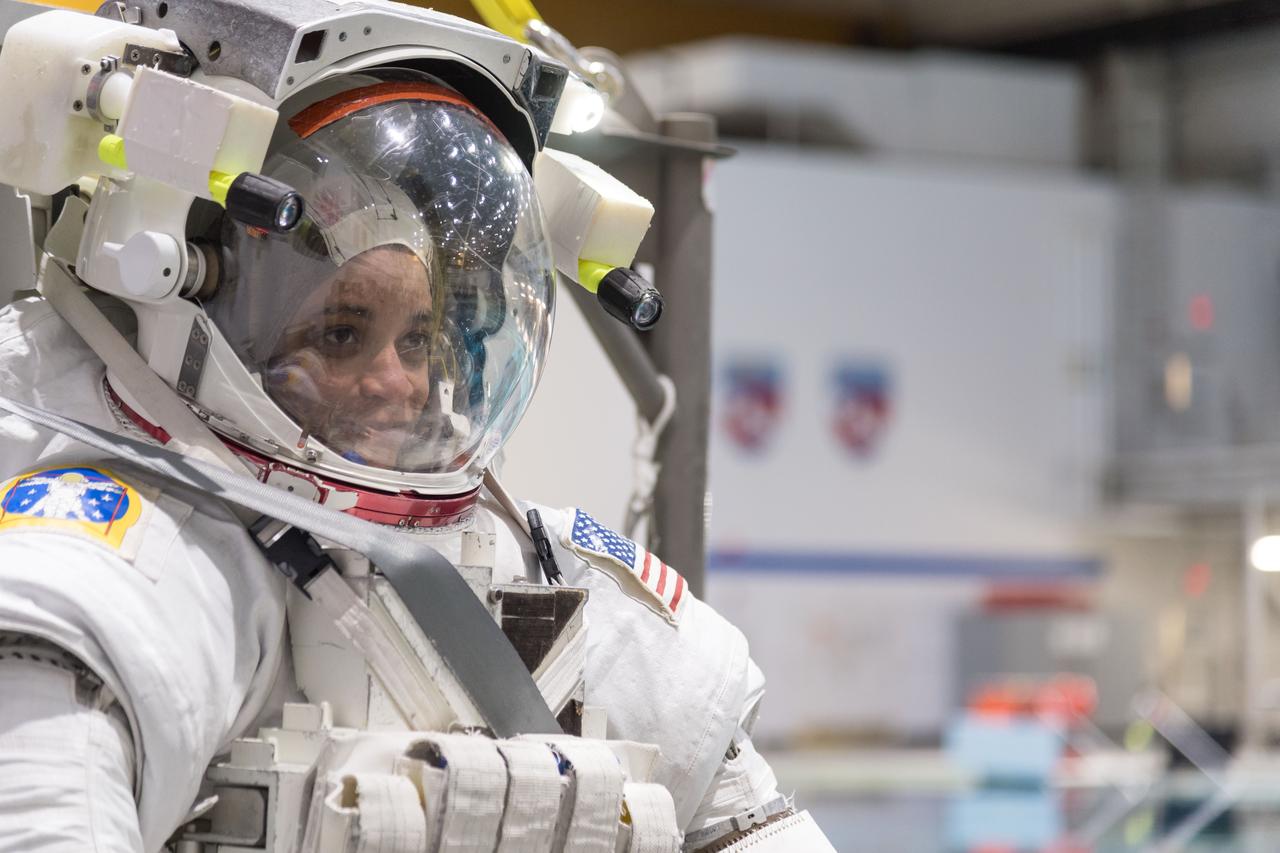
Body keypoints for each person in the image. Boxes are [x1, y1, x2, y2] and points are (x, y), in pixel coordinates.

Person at [0, 53, 827, 853]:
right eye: (341, 334)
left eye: (419, 338)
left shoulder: (538, 566)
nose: (396, 384)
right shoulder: (140, 562)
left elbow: (750, 820)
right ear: (203, 331)